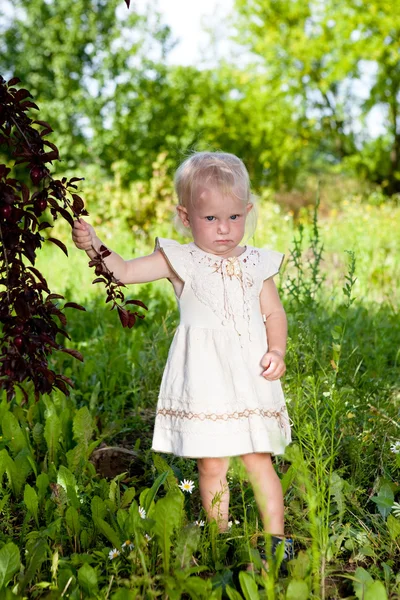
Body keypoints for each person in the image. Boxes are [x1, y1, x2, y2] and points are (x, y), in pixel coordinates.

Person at [72, 151, 293, 567]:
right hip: (207, 378)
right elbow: (122, 270)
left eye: (233, 217)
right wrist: (95, 244)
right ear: (186, 216)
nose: (224, 229)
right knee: (212, 464)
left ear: (247, 212)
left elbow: (273, 313)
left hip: (249, 375)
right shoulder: (181, 259)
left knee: (258, 459)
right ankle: (220, 539)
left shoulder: (256, 263)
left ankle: (277, 539)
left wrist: (276, 349)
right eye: (210, 219)